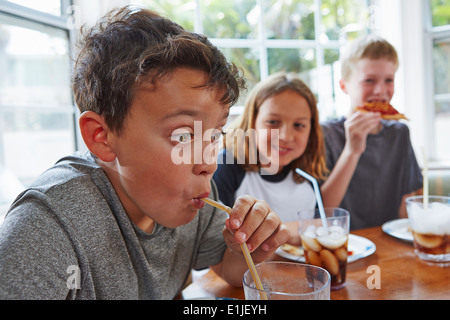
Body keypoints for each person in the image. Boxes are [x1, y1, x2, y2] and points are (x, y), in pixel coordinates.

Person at [0, 6, 288, 299]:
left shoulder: (195, 195)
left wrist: (247, 248)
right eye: (183, 135)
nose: (208, 163)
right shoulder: (46, 228)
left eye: (214, 135)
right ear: (101, 137)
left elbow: (229, 270)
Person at [214, 72, 345, 245]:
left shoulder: (308, 170)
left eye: (299, 125)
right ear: (252, 121)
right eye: (273, 122)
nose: (285, 136)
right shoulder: (226, 166)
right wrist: (299, 230)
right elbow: (218, 243)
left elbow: (321, 225)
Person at [321, 35, 423, 230]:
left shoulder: (400, 133)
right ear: (344, 86)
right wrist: (352, 150)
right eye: (369, 80)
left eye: (388, 80)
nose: (380, 91)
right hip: (341, 243)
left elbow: (406, 201)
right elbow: (322, 212)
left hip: (389, 241)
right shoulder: (326, 133)